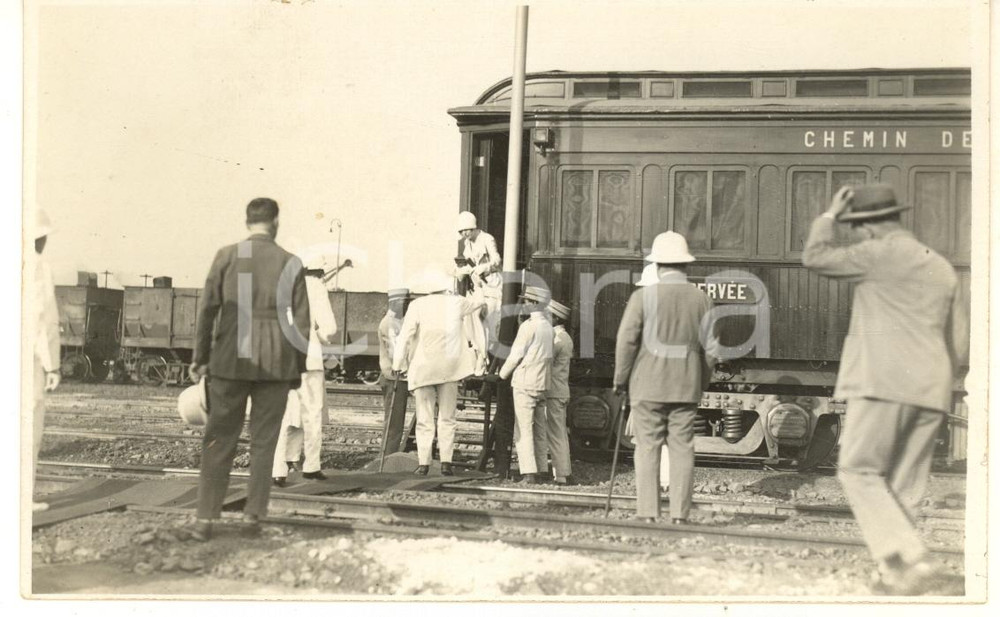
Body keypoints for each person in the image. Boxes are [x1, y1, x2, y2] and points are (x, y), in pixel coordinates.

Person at [802, 184, 969, 596]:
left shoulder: (876, 254)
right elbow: (961, 343)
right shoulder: (941, 265)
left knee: (858, 470)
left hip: (880, 383)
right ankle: (894, 576)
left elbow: (815, 257)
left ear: (865, 227)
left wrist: (828, 217)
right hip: (932, 389)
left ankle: (914, 557)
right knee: (903, 487)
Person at [188, 197, 310, 541]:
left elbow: (208, 309)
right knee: (264, 442)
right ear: (276, 223)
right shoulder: (290, 262)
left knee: (218, 439)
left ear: (247, 222)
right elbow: (301, 322)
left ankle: (205, 520)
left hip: (230, 356)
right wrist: (296, 367)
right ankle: (252, 518)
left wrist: (200, 357)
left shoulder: (227, 256)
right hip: (276, 362)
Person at [614, 232, 716, 524]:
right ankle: (679, 516)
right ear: (686, 266)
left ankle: (647, 514)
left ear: (657, 266)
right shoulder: (702, 300)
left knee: (647, 448)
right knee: (682, 449)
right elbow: (711, 351)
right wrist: (701, 381)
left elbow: (626, 342)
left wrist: (620, 380)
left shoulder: (641, 297)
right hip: (686, 387)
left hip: (646, 387)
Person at [393, 268, 485, 476]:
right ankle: (446, 463)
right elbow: (480, 301)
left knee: (424, 418)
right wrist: (475, 280)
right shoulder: (457, 302)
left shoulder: (417, 305)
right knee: (447, 417)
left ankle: (424, 464)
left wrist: (398, 363)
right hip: (450, 369)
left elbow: (405, 335)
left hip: (423, 366)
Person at [272, 255, 339, 486]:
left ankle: (278, 470)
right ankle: (311, 466)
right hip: (309, 359)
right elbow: (330, 328)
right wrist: (319, 337)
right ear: (318, 271)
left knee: (282, 415)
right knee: (312, 415)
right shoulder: (317, 288)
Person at [498, 286, 554, 484]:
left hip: (525, 383)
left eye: (526, 301)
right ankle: (541, 469)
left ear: (533, 303)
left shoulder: (528, 327)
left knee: (523, 429)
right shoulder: (548, 327)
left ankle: (528, 472)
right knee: (539, 429)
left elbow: (515, 356)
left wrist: (500, 375)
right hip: (542, 384)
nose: (523, 305)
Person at [31, 209, 61, 513]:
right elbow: (44, 320)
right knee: (28, 428)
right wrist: (52, 365)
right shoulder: (38, 267)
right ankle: (21, 497)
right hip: (24, 359)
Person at [454, 211, 502, 342]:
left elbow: (497, 261)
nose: (464, 234)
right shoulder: (467, 243)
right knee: (474, 322)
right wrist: (463, 270)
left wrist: (483, 267)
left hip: (491, 284)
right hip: (477, 286)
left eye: (466, 230)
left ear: (473, 227)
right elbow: (471, 263)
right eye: (461, 231)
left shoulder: (487, 238)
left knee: (491, 321)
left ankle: (491, 356)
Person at [542, 298, 574, 485]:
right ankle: (563, 471)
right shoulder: (565, 337)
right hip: (560, 390)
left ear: (555, 318)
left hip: (554, 391)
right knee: (558, 432)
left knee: (555, 433)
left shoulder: (558, 339)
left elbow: (545, 358)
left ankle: (561, 474)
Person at [378, 288, 411, 456]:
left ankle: (390, 453)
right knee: (393, 421)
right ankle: (387, 455)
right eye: (405, 302)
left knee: (396, 420)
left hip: (399, 376)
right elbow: (396, 350)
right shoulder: (390, 324)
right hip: (394, 376)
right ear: (395, 303)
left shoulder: (399, 321)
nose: (407, 305)